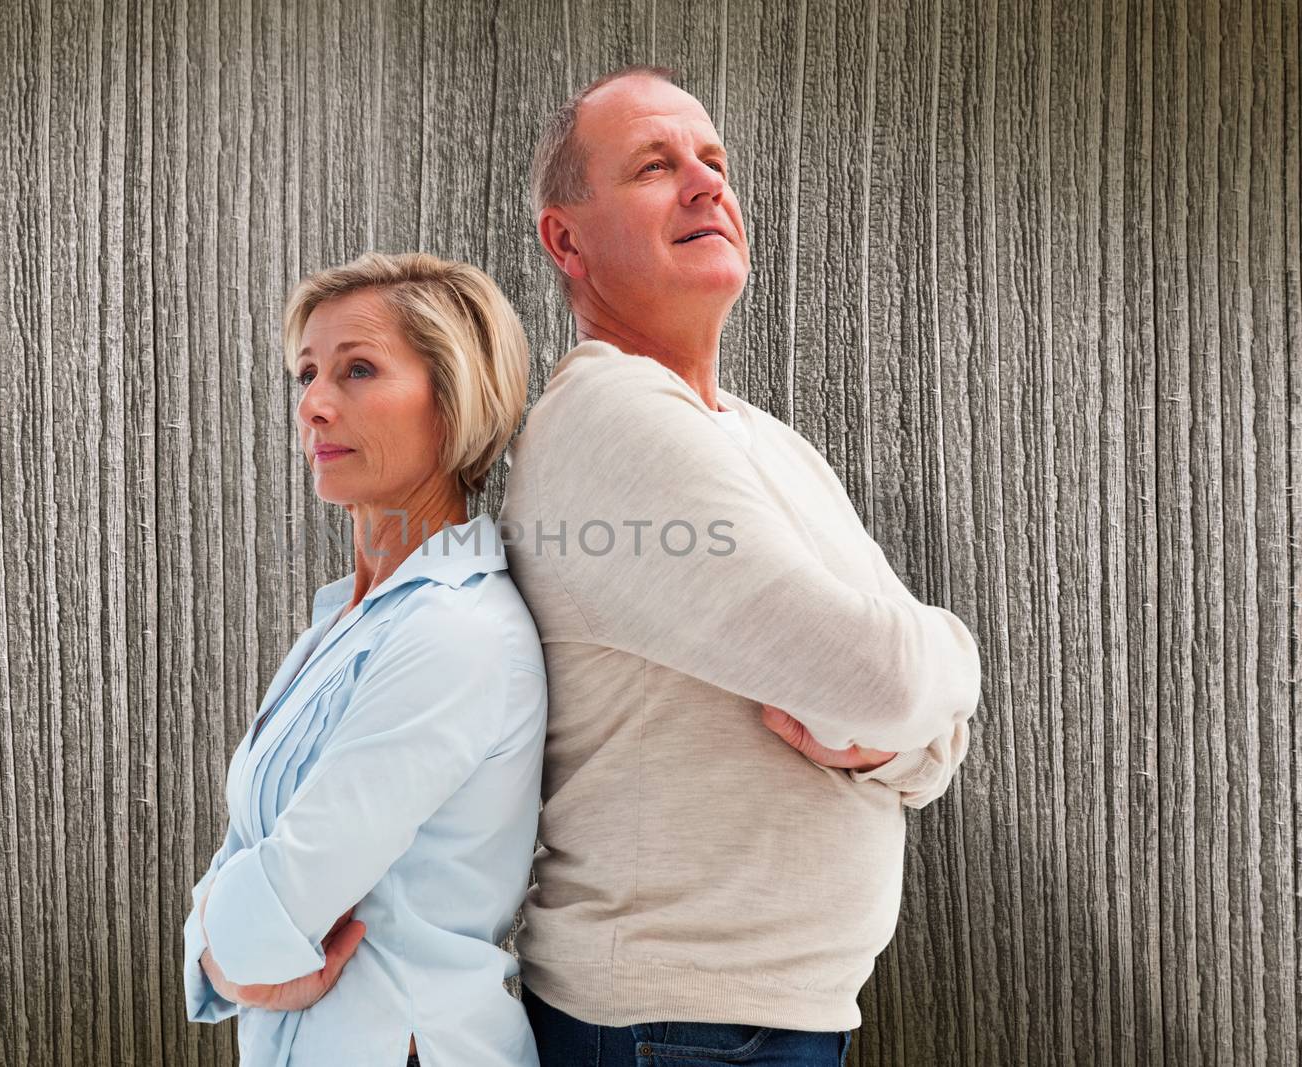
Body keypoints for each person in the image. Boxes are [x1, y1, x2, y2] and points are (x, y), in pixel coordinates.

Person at [498, 66, 983, 1066]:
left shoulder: (771, 444)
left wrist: (901, 736)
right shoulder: (610, 418)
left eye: (714, 161)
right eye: (653, 165)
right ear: (567, 239)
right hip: (672, 1028)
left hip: (761, 1022)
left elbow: (930, 745)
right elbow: (887, 677)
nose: (705, 183)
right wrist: (947, 659)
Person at [185, 252, 548, 1067]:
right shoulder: (340, 624)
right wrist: (225, 947)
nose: (313, 403)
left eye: (357, 369)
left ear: (452, 402)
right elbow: (245, 852)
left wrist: (222, 951)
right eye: (306, 371)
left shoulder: (457, 634)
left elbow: (281, 892)